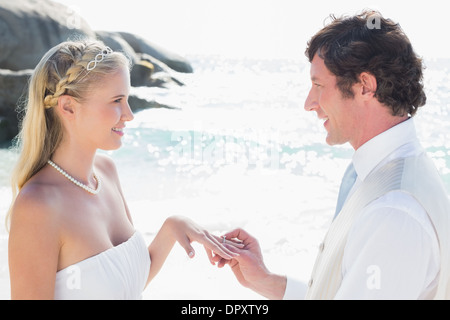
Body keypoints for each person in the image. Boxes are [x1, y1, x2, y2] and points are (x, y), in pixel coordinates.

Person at [216, 10, 450, 300]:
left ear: (365, 86)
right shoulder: (384, 175)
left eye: (318, 85)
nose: (309, 103)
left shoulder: (393, 211)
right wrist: (266, 282)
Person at [6, 40, 238, 300]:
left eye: (127, 100)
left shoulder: (106, 172)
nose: (129, 114)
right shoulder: (37, 207)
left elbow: (124, 285)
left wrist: (172, 227)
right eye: (117, 100)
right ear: (68, 107)